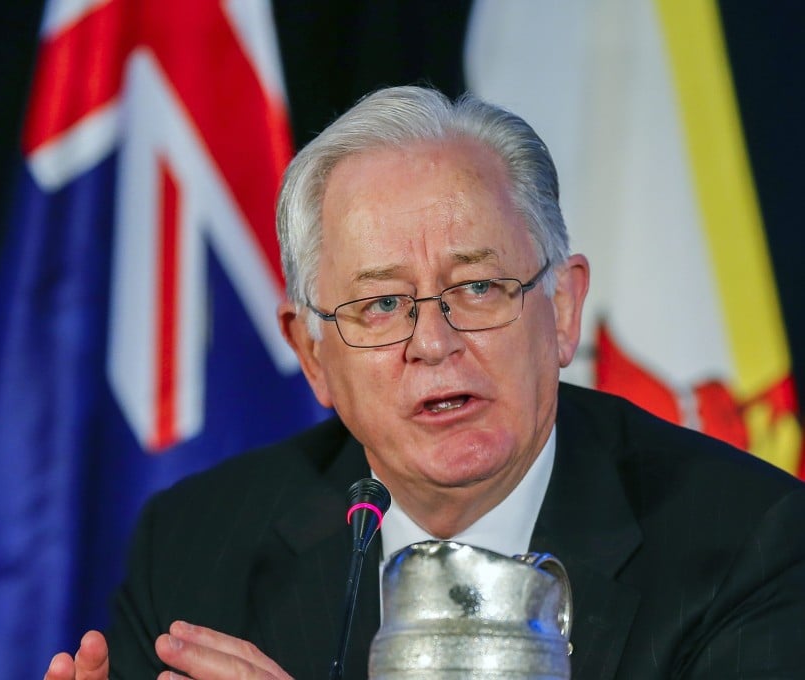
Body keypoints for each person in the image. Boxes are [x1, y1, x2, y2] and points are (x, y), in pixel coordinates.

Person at [45, 86, 805, 679]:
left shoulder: (748, 545)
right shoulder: (198, 546)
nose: (434, 343)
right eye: (381, 305)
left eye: (477, 287)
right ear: (313, 353)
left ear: (563, 308)